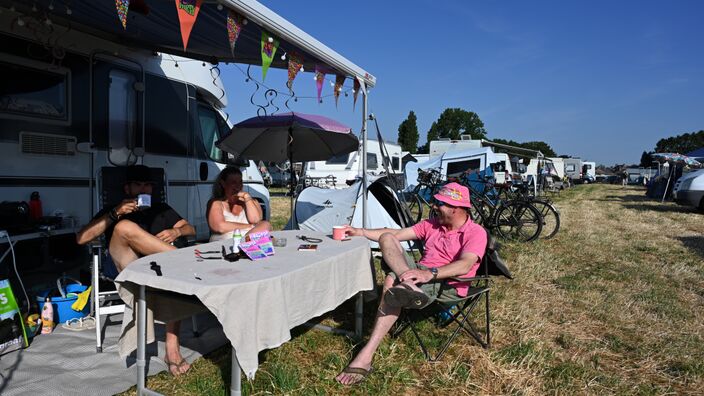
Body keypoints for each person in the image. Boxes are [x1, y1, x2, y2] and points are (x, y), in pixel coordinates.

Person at [335, 182, 487, 385]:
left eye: (439, 203)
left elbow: (464, 265)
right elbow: (394, 234)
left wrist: (429, 274)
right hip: (418, 273)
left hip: (447, 282)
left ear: (455, 208)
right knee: (387, 238)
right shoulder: (432, 224)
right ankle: (407, 283)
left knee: (391, 279)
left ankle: (366, 354)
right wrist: (360, 231)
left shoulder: (476, 232)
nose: (434, 206)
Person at [76, 165, 196, 376]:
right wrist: (115, 213)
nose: (144, 189)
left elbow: (190, 228)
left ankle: (172, 350)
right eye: (138, 185)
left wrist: (175, 230)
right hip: (126, 264)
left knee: (174, 277)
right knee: (124, 228)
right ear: (127, 188)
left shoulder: (161, 208)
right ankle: (186, 261)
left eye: (148, 185)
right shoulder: (113, 210)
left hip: (158, 266)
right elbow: (82, 238)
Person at [207, 167, 271, 241]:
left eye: (240, 182)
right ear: (223, 184)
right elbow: (219, 227)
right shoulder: (216, 203)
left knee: (265, 224)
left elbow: (255, 220)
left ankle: (244, 245)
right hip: (224, 245)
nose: (238, 186)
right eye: (233, 183)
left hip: (247, 242)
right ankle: (243, 245)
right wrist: (249, 226)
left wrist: (247, 197)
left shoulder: (251, 202)